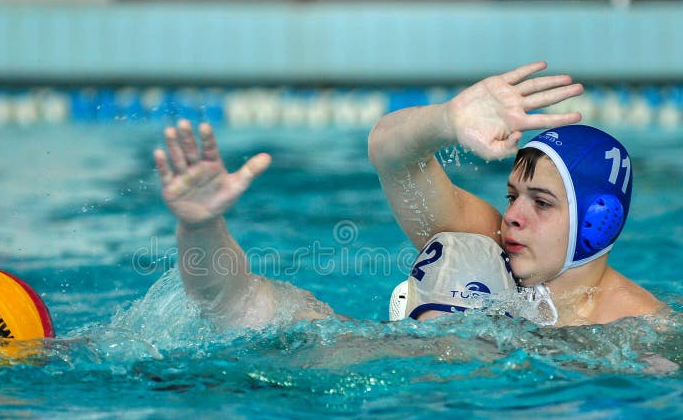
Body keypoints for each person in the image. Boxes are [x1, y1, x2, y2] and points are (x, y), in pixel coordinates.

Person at [367, 61, 661, 326]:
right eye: (512, 196)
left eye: (542, 203)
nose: (512, 217)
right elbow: (389, 155)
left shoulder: (642, 326)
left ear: (597, 223)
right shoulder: (491, 241)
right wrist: (447, 119)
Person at [153, 120, 516, 330]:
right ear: (405, 316)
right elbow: (229, 300)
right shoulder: (360, 347)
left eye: (468, 328)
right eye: (436, 322)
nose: (449, 348)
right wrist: (201, 228)